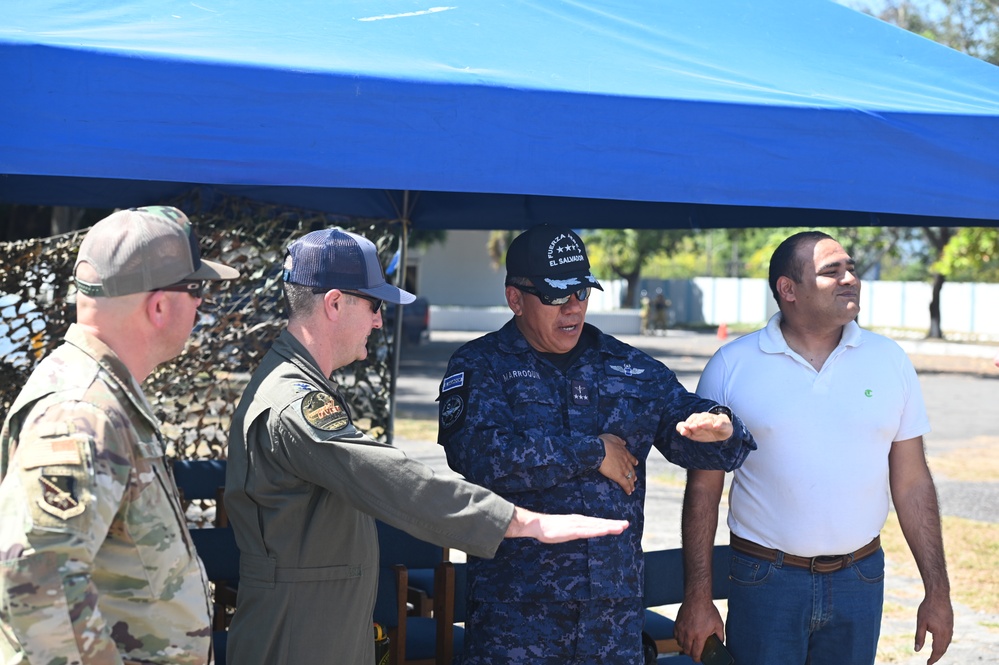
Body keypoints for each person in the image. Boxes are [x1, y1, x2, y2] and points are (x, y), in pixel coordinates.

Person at [223, 228, 629, 665]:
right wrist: (517, 521)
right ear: (335, 303)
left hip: (318, 625)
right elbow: (386, 478)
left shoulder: (301, 384)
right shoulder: (294, 402)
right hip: (297, 636)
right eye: (374, 304)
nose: (380, 320)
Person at [436, 225, 757, 665]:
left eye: (582, 293)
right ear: (515, 298)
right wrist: (591, 452)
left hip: (610, 623)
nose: (573, 308)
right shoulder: (481, 365)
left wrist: (722, 430)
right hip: (514, 619)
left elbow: (697, 436)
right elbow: (481, 457)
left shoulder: (628, 368)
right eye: (556, 296)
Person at [675, 231, 953, 665]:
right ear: (788, 290)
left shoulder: (890, 361)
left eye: (851, 269)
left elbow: (913, 482)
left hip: (860, 580)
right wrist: (698, 597)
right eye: (832, 271)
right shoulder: (732, 366)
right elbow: (703, 492)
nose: (851, 279)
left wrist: (937, 591)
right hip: (764, 580)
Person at [0, 206, 240, 664]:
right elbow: (34, 581)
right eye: (196, 289)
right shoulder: (83, 412)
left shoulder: (102, 396)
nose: (201, 303)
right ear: (159, 306)